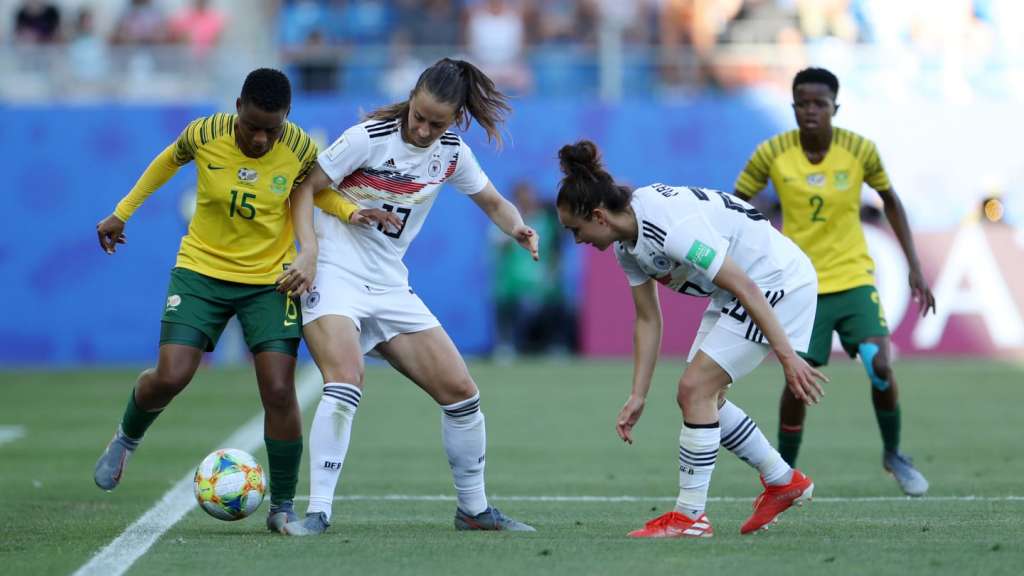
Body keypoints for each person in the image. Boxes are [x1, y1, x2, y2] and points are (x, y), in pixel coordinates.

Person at [92, 68, 380, 534]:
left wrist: (351, 209)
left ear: (287, 117)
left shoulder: (300, 148)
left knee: (280, 389)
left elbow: (314, 193)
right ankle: (126, 438)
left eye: (273, 128)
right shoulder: (205, 133)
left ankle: (282, 505)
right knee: (172, 374)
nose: (262, 139)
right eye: (253, 126)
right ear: (238, 106)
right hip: (201, 271)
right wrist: (122, 212)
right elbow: (167, 161)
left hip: (270, 280)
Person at [281, 57, 538, 535]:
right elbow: (306, 189)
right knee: (345, 380)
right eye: (417, 116)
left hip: (390, 286)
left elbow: (493, 202)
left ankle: (473, 510)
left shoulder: (453, 153)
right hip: (334, 275)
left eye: (435, 123)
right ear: (412, 98)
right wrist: (310, 251)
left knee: (462, 394)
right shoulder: (368, 137)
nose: (421, 129)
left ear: (456, 117)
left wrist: (518, 227)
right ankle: (318, 512)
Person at [556, 140, 827, 538]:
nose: (576, 240)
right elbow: (648, 319)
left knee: (696, 389)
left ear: (598, 216)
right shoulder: (627, 247)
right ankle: (783, 480)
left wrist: (787, 357)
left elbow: (747, 286)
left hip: (775, 282)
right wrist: (638, 394)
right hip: (737, 291)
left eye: (575, 230)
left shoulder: (670, 228)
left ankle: (690, 517)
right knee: (703, 396)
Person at [734, 67, 936, 496]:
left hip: (853, 280)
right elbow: (737, 204)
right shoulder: (771, 153)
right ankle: (783, 473)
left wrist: (915, 265)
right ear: (793, 107)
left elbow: (891, 200)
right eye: (803, 104)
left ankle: (894, 454)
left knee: (879, 364)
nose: (811, 111)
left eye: (819, 104)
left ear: (835, 108)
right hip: (801, 288)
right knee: (797, 380)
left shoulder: (859, 149)